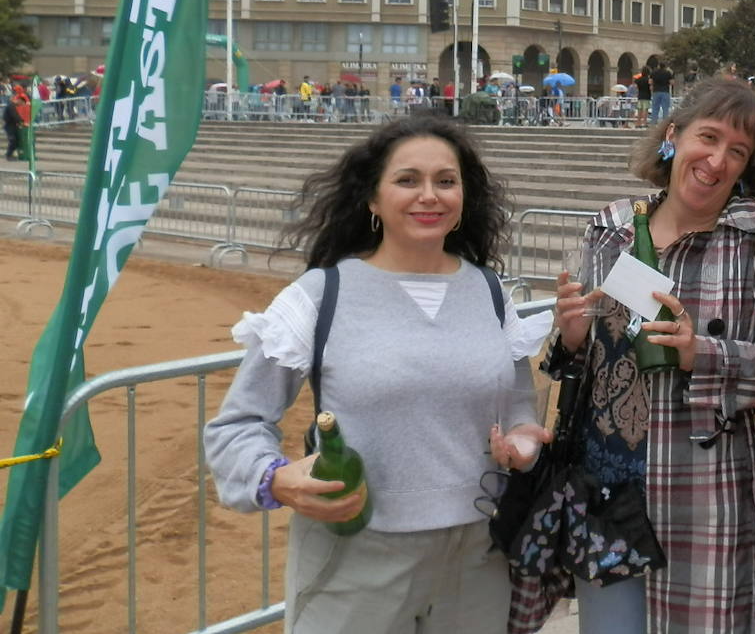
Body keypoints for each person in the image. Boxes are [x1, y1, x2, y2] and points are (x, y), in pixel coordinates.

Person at [204, 113, 542, 634]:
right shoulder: (320, 296)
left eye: (445, 181)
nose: (429, 195)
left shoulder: (492, 294)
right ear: (372, 199)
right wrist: (275, 479)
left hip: (478, 558)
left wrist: (522, 438)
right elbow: (238, 425)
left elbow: (517, 405)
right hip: (353, 559)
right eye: (407, 180)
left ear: (463, 198)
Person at [534, 79, 755, 633]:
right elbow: (582, 368)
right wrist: (576, 335)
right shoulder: (610, 229)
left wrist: (700, 353)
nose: (717, 160)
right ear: (673, 136)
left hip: (706, 494)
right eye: (708, 137)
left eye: (738, 151)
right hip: (608, 495)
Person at [4, 83, 30, 161]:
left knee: (15, 140)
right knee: (13, 140)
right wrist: (22, 122)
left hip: (12, 125)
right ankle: (9, 155)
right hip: (9, 126)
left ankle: (11, 154)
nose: (21, 105)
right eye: (21, 103)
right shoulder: (11, 106)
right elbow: (15, 116)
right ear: (19, 100)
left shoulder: (12, 105)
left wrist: (20, 122)